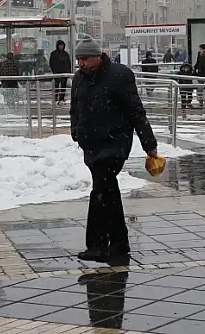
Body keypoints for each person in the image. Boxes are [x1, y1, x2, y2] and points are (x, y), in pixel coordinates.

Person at [69, 37, 157, 263]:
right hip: (91, 143)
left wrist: (149, 144)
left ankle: (97, 245)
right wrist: (76, 132)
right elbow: (74, 109)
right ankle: (119, 243)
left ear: (98, 56)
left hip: (115, 142)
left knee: (100, 190)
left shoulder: (119, 76)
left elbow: (136, 111)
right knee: (108, 191)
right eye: (78, 59)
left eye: (85, 59)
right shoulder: (79, 79)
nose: (81, 64)